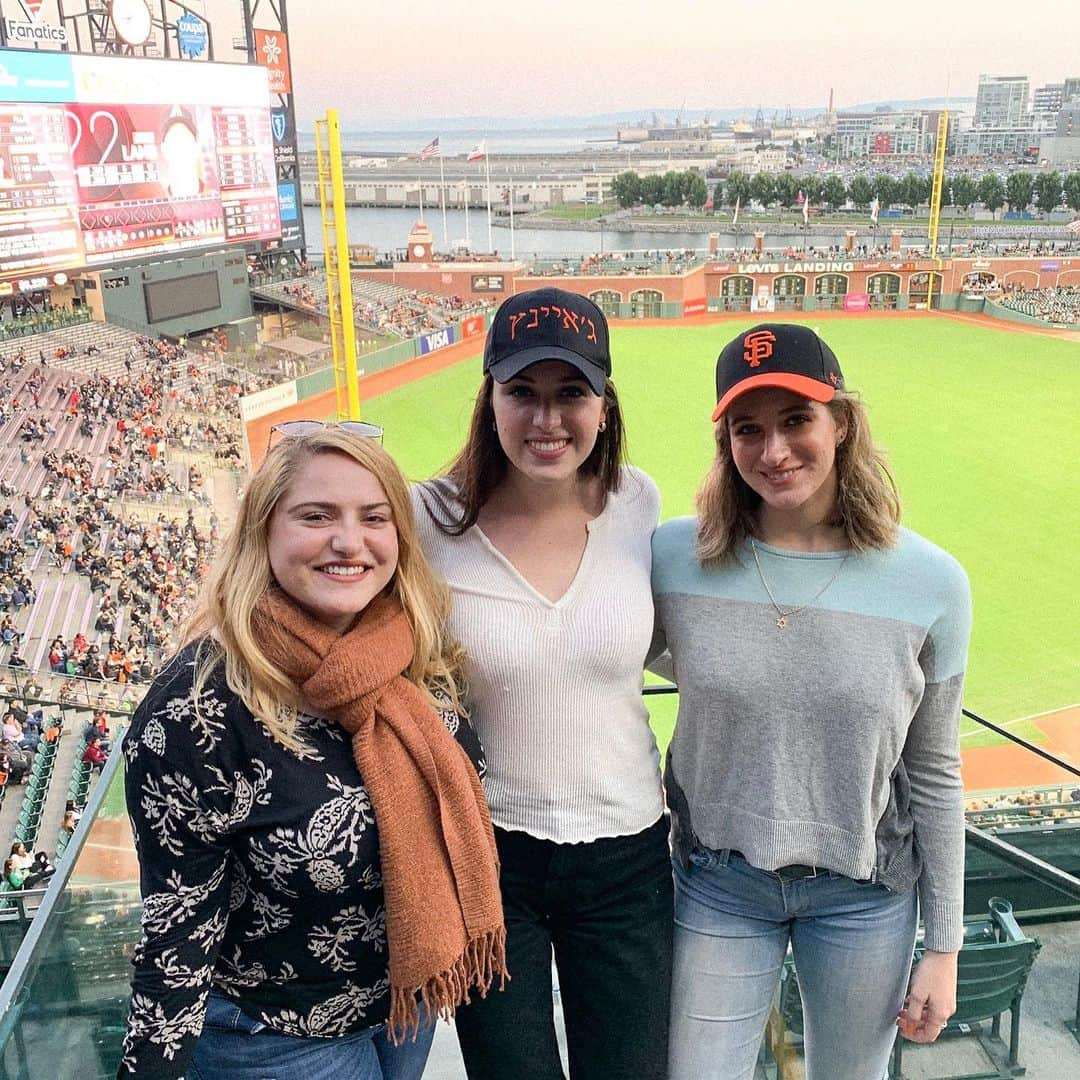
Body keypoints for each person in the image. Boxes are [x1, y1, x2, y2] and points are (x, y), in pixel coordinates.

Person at [120, 427, 505, 1079]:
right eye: (315, 516)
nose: (349, 542)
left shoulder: (425, 657)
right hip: (272, 1039)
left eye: (373, 517)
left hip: (402, 1013)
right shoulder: (194, 712)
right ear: (263, 533)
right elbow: (178, 934)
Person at [652, 324, 972, 1080]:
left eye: (796, 420)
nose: (773, 451)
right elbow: (592, 657)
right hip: (718, 884)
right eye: (747, 429)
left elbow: (934, 773)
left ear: (843, 424)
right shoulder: (673, 557)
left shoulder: (932, 582)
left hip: (866, 896)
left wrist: (946, 948)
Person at [415, 287, 672, 1079]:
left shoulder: (639, 501)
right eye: (522, 392)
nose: (546, 420)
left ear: (604, 403)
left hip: (628, 856)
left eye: (571, 395)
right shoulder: (431, 516)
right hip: (490, 858)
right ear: (489, 396)